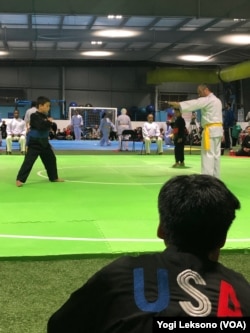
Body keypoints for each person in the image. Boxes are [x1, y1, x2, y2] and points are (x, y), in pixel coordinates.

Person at [47, 174, 250, 333]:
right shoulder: (242, 290)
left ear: (161, 229)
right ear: (223, 239)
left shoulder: (120, 275)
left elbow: (60, 326)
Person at [168, 83, 223, 178]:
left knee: (208, 156)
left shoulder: (208, 100)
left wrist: (179, 104)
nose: (199, 95)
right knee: (216, 155)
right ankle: (216, 178)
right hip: (218, 130)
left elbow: (195, 103)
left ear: (206, 90)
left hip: (210, 131)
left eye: (200, 92)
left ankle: (207, 180)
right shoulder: (218, 100)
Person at [16, 96, 64, 187]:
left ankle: (53, 177)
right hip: (35, 143)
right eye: (47, 106)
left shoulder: (45, 117)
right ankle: (19, 179)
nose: (48, 108)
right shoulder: (34, 116)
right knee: (29, 161)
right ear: (40, 106)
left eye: (49, 106)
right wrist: (49, 122)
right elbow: (41, 126)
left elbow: (48, 127)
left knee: (51, 159)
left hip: (44, 143)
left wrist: (51, 124)